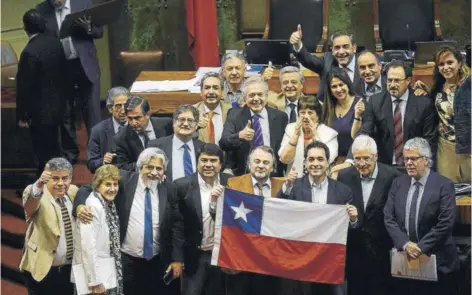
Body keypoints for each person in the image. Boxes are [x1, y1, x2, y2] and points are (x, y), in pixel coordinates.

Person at [75, 148, 184, 294]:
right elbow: (87, 188)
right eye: (149, 167)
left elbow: (177, 225)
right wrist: (80, 206)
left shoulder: (169, 189)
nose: (154, 172)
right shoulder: (124, 180)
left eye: (159, 168)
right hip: (126, 259)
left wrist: (177, 258)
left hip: (158, 260)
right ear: (140, 167)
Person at [278, 141, 357, 295]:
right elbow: (278, 211)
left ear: (328, 162)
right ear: (305, 163)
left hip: (331, 263)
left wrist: (353, 219)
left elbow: (350, 228)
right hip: (300, 262)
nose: (315, 163)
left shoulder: (343, 191)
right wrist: (287, 185)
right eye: (311, 159)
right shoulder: (293, 187)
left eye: (320, 159)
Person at [384, 138, 460, 295]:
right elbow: (388, 217)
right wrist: (406, 244)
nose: (409, 163)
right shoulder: (398, 183)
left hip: (438, 264)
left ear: (426, 160)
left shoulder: (444, 185)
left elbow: (446, 223)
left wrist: (420, 247)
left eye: (414, 158)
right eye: (406, 159)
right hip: (406, 263)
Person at [210, 146, 286, 295]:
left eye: (266, 162)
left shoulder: (283, 186)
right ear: (249, 164)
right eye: (257, 161)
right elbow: (222, 218)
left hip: (270, 261)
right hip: (241, 260)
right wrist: (214, 202)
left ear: (273, 167)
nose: (261, 165)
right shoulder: (234, 184)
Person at [36, 0, 103, 164]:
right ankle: (70, 155)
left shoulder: (83, 3)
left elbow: (98, 32)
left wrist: (88, 27)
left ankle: (95, 153)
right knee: (64, 113)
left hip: (85, 65)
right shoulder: (41, 9)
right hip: (59, 67)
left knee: (92, 111)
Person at [337, 135, 402, 295]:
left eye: (366, 158)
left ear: (376, 156)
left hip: (383, 251)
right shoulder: (344, 176)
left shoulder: (393, 176)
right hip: (355, 252)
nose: (362, 163)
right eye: (357, 159)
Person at [174, 144, 232, 295]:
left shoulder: (231, 183)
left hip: (221, 256)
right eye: (203, 160)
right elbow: (177, 227)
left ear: (221, 164)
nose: (208, 165)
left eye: (213, 161)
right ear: (197, 162)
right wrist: (177, 259)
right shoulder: (181, 186)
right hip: (194, 256)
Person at [357, 60, 438, 168]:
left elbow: (429, 141)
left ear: (408, 80)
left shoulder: (424, 104)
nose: (392, 85)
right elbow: (366, 133)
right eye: (389, 80)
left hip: (415, 165)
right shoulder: (375, 102)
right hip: (385, 166)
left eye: (397, 81)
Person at [16, 9, 67, 178]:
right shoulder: (55, 43)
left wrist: (22, 115)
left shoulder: (29, 52)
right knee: (54, 148)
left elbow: (26, 88)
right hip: (58, 107)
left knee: (42, 151)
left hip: (39, 113)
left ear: (26, 28)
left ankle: (42, 185)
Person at [20, 158, 78, 295]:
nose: (61, 183)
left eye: (65, 178)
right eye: (55, 178)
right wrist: (39, 184)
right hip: (42, 269)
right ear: (47, 178)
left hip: (69, 271)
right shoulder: (36, 193)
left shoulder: (74, 191)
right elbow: (29, 208)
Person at [219, 77, 288, 176]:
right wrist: (239, 136)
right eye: (251, 95)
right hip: (244, 173)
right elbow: (223, 143)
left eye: (260, 94)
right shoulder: (235, 115)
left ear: (266, 96)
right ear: (244, 98)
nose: (256, 99)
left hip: (272, 173)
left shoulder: (280, 117)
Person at [72, 165, 123, 295]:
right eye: (107, 184)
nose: (113, 189)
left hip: (106, 272)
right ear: (97, 185)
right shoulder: (92, 207)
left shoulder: (107, 204)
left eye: (115, 184)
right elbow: (88, 246)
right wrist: (95, 281)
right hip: (95, 279)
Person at [429, 45, 471, 183]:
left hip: (468, 147)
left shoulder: (469, 86)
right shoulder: (437, 90)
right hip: (446, 148)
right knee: (447, 192)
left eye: (449, 62)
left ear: (459, 63)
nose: (445, 67)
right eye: (441, 64)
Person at [290, 27, 362, 101]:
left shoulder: (363, 63)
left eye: (345, 47)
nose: (341, 52)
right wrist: (297, 44)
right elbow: (308, 60)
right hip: (329, 110)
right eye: (337, 47)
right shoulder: (327, 60)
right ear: (332, 50)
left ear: (354, 48)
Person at [279, 96, 338, 177]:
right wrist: (295, 136)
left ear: (318, 115)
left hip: (320, 180)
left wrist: (315, 136)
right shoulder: (291, 129)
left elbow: (328, 159)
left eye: (310, 113)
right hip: (294, 181)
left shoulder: (330, 134)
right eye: (302, 112)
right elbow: (284, 159)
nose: (306, 117)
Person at [322, 68, 366, 176]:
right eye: (334, 86)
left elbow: (360, 137)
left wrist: (357, 116)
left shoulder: (360, 104)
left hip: (355, 162)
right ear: (330, 90)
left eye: (341, 84)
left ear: (347, 84)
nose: (338, 89)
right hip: (331, 163)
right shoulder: (328, 107)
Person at [114, 96, 173, 171]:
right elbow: (122, 167)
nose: (133, 123)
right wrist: (147, 164)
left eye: (137, 118)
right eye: (130, 118)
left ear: (148, 114)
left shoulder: (166, 124)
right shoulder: (121, 137)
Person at [148, 104, 204, 181]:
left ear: (196, 125)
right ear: (174, 122)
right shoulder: (156, 146)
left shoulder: (202, 148)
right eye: (182, 119)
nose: (185, 124)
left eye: (190, 120)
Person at [87, 87, 130, 173]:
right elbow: (91, 163)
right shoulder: (98, 131)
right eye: (118, 106)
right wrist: (103, 160)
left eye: (126, 106)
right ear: (110, 108)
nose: (123, 111)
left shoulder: (137, 126)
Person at [193, 72, 230, 145]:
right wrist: (193, 125)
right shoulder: (191, 113)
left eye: (216, 88)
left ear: (222, 92)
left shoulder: (231, 111)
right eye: (207, 88)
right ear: (201, 92)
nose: (211, 92)